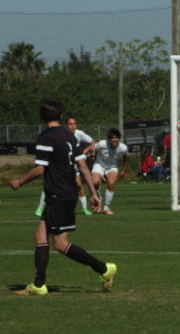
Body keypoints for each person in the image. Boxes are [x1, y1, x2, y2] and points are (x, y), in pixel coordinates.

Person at [9, 99, 116, 295]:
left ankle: (101, 269)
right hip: (68, 193)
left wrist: (19, 181)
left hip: (57, 193)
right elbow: (83, 166)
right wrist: (93, 193)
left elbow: (40, 169)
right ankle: (40, 284)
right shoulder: (69, 135)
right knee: (43, 235)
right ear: (60, 116)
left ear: (42, 118)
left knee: (59, 243)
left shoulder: (45, 137)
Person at [35, 116, 96, 216]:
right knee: (50, 185)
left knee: (78, 184)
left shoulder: (79, 133)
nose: (72, 126)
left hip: (73, 164)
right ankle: (41, 207)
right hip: (60, 166)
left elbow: (93, 141)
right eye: (70, 124)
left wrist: (90, 149)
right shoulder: (62, 134)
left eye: (74, 124)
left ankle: (84, 208)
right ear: (66, 125)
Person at [92, 128, 129, 215]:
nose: (115, 140)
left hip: (112, 167)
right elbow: (93, 149)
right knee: (95, 182)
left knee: (111, 183)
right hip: (99, 165)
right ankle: (98, 199)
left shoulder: (123, 148)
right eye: (113, 138)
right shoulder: (102, 144)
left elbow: (126, 157)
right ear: (109, 139)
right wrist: (93, 155)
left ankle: (106, 207)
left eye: (117, 138)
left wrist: (124, 169)